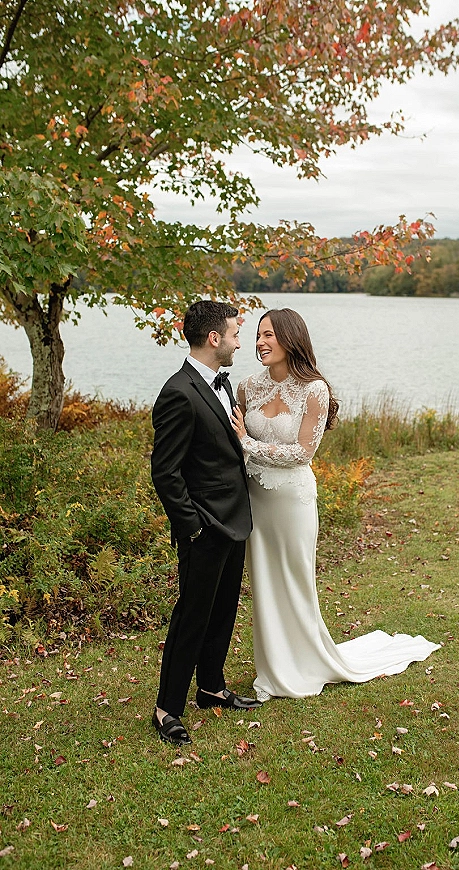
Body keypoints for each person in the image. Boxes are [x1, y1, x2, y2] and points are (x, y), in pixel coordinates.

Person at [231, 308, 440, 701]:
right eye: (258, 335)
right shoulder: (246, 388)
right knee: (263, 582)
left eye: (270, 335)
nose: (260, 342)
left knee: (295, 580)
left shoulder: (314, 390)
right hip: (255, 498)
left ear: (291, 338)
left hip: (292, 500)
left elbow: (302, 453)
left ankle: (306, 661)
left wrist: (247, 443)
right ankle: (273, 667)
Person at [150, 300, 261, 746]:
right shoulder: (178, 392)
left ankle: (211, 687)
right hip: (205, 528)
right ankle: (166, 708)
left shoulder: (220, 384)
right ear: (214, 339)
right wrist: (192, 526)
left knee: (223, 609)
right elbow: (165, 472)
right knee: (192, 615)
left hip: (235, 521)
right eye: (235, 333)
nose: (239, 341)